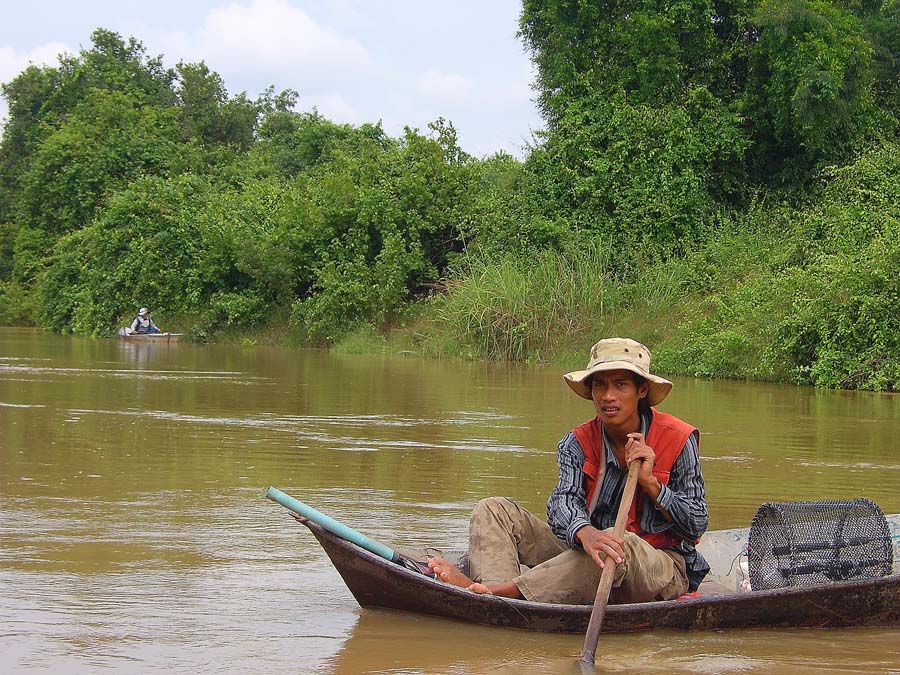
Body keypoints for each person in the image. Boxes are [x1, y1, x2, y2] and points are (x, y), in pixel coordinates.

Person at [428, 337, 709, 604]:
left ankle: (504, 592)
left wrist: (651, 484)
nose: (608, 396)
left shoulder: (678, 439)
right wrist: (585, 533)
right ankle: (494, 593)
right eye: (600, 385)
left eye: (621, 385)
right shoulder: (577, 442)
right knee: (493, 510)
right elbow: (562, 503)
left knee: (618, 544)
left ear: (642, 390)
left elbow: (697, 524)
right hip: (588, 553)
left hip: (658, 567)